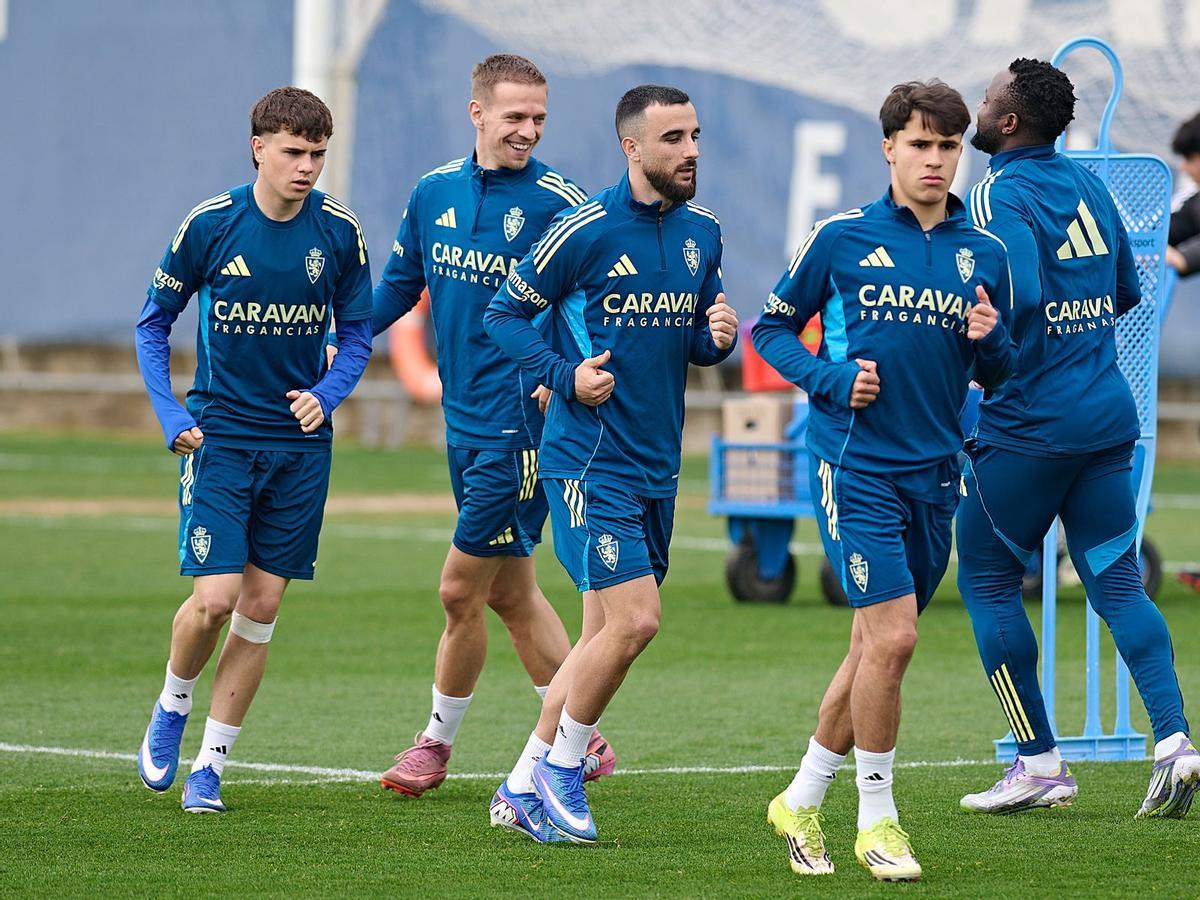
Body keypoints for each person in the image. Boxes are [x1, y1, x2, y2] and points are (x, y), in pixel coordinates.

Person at [753, 81, 1014, 881]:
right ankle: (879, 819)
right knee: (894, 637)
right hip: (853, 465)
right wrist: (831, 380)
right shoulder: (839, 237)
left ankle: (800, 797)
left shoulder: (986, 253)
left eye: (948, 146)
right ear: (889, 148)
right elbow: (768, 329)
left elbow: (998, 373)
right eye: (921, 144)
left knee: (874, 647)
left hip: (937, 476)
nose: (935, 160)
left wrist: (991, 340)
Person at [482, 84, 737, 843]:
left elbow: (687, 338)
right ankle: (564, 767)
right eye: (672, 140)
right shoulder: (583, 231)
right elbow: (504, 315)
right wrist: (565, 376)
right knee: (636, 621)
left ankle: (522, 784)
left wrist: (713, 337)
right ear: (632, 148)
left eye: (695, 136)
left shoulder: (706, 233)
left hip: (659, 464)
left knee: (599, 638)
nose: (690, 151)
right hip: (589, 461)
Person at [958, 58, 1198, 818]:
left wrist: (979, 336)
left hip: (1028, 427)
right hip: (1105, 423)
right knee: (1117, 584)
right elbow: (1130, 290)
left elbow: (1020, 291)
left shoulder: (997, 188)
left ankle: (1038, 763)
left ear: (1007, 121)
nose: (981, 98)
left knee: (989, 581)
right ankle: (1176, 745)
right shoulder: (1091, 183)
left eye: (990, 93)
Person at [368, 54, 613, 799]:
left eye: (538, 118)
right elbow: (399, 287)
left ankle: (434, 744)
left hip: (523, 429)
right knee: (509, 594)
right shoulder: (433, 192)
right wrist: (335, 343)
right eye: (514, 117)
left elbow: (594, 303)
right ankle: (585, 738)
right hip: (463, 418)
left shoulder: (560, 202)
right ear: (476, 113)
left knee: (457, 591)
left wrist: (560, 375)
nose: (528, 130)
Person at [133, 87, 374, 813]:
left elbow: (359, 332)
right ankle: (173, 704)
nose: (307, 168)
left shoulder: (339, 233)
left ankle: (210, 765)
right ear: (258, 148)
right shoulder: (210, 225)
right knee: (214, 600)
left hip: (300, 449)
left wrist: (327, 394)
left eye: (318, 155)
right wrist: (170, 410)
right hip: (221, 440)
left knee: (261, 608)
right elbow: (153, 323)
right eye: (294, 152)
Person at [1165, 111, 1200, 280]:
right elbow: (1166, 229)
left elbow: (1181, 260)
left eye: (1190, 158)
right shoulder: (1195, 204)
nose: (1183, 168)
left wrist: (1182, 258)